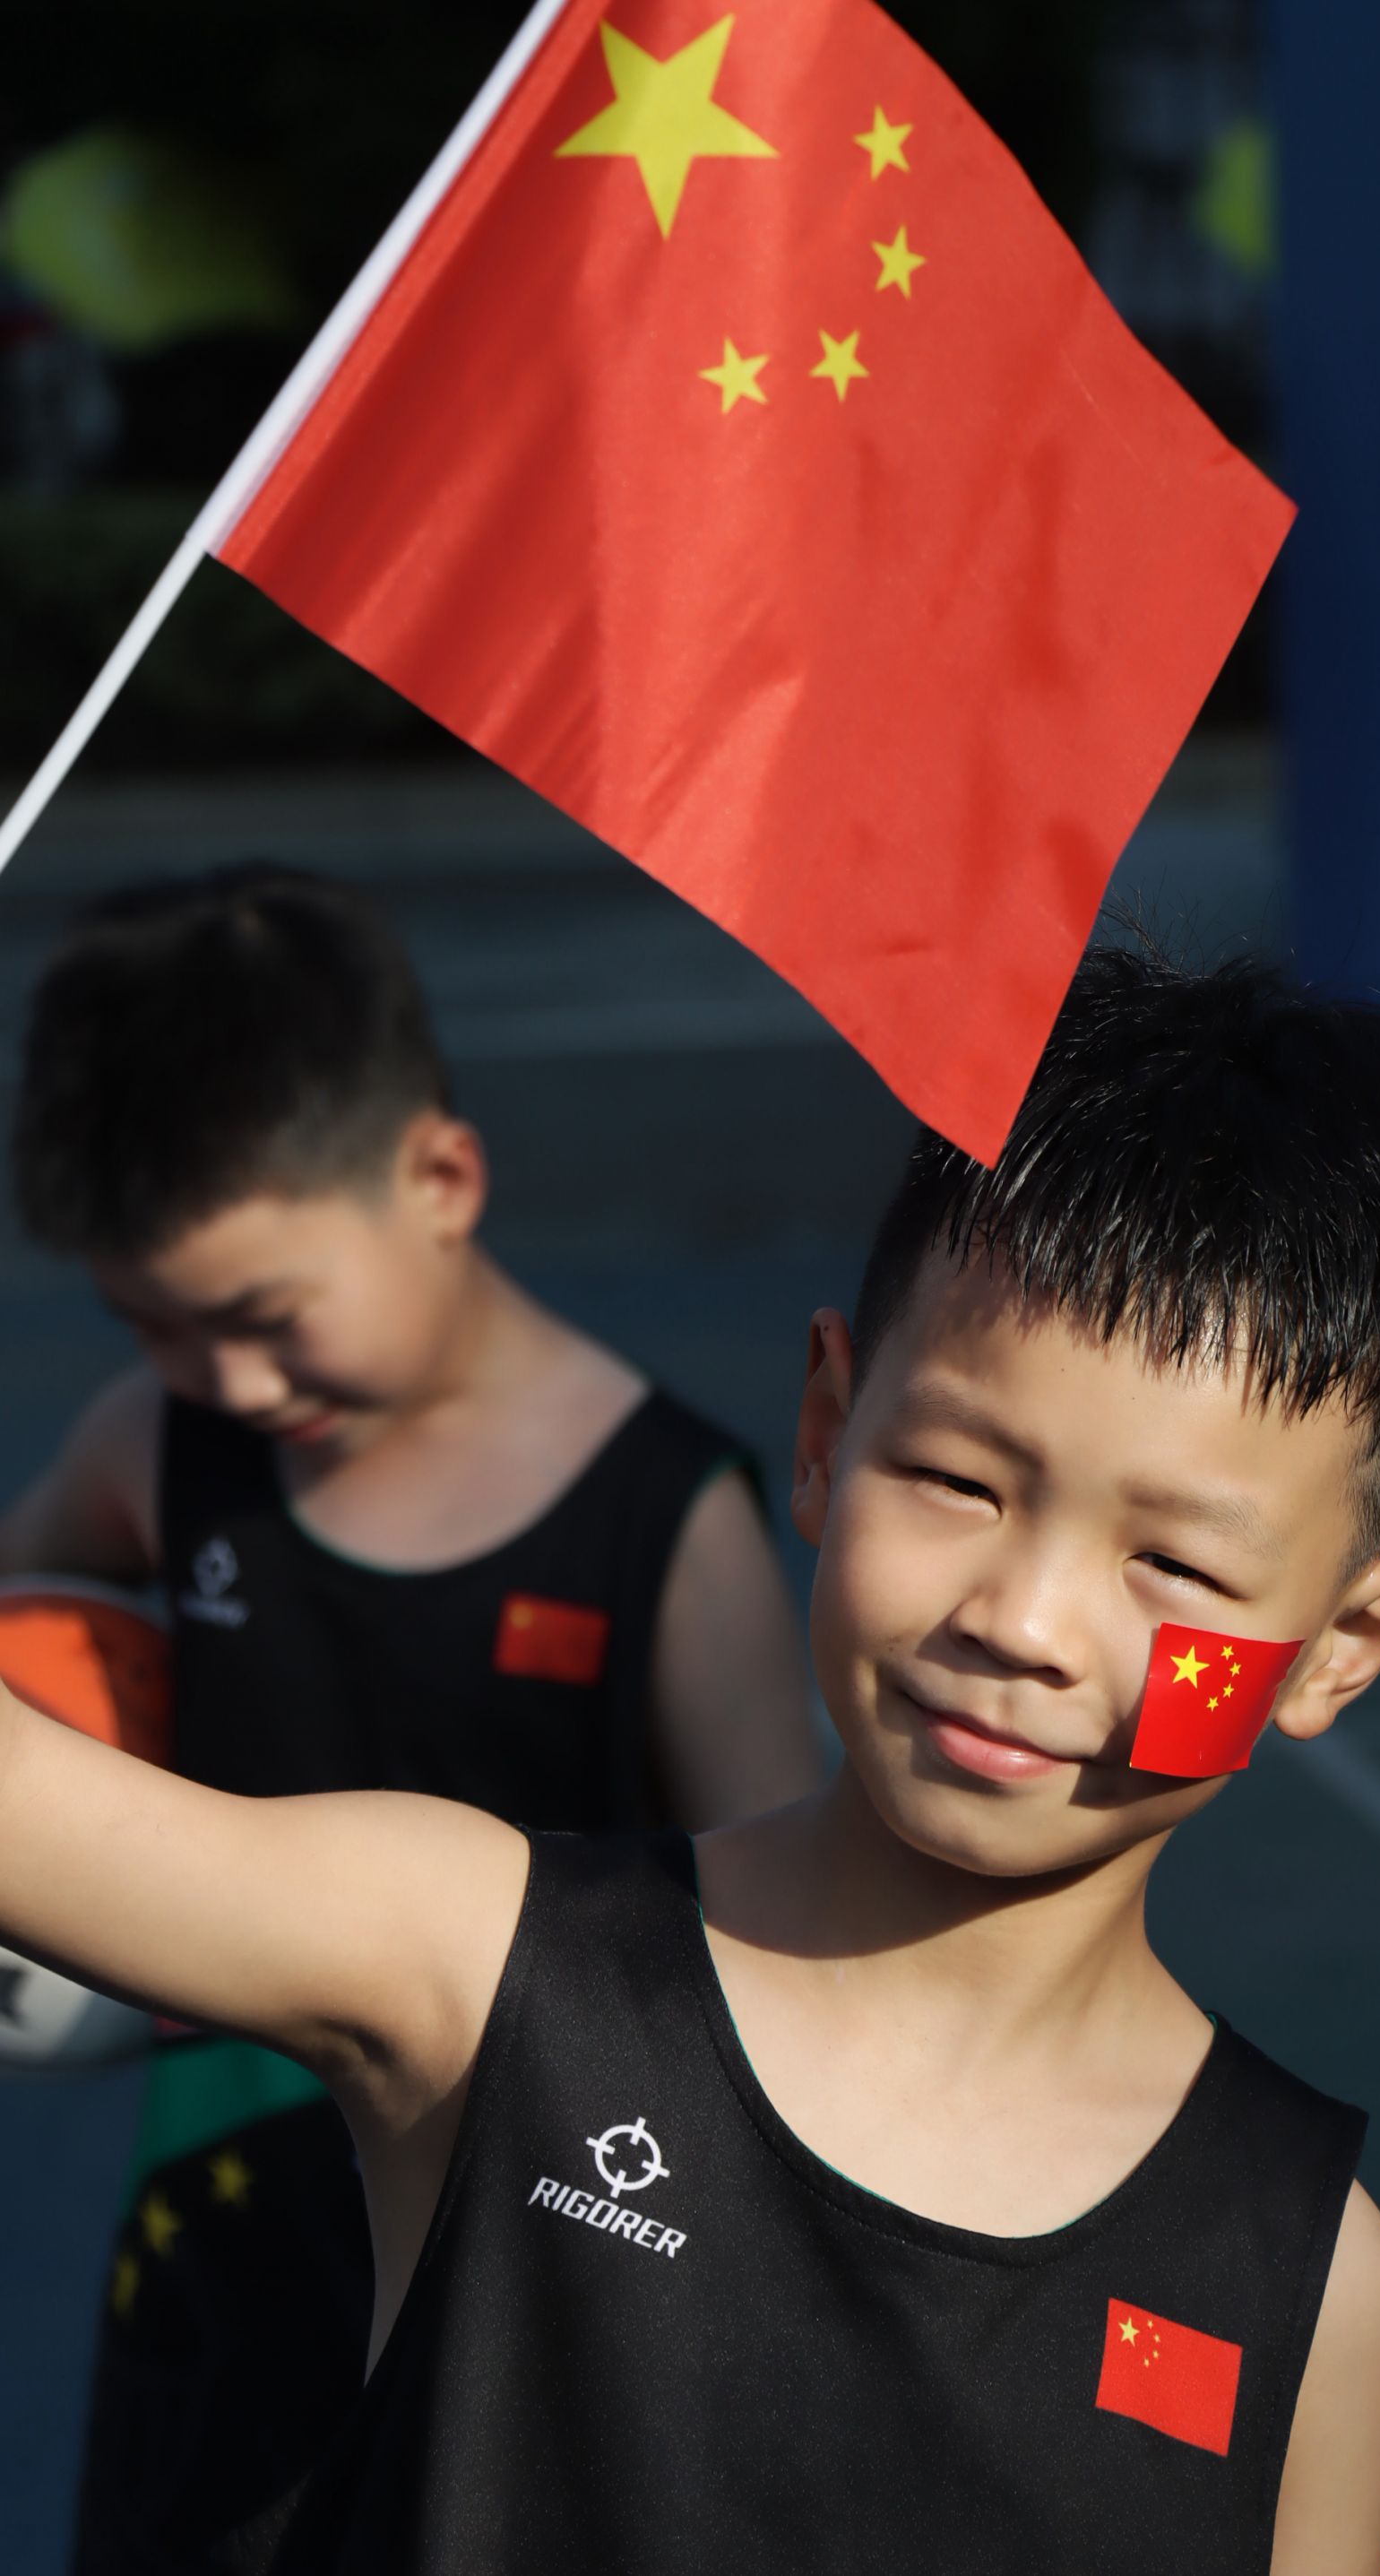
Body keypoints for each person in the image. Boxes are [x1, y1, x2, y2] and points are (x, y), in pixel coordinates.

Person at [0, 943, 1380, 2574]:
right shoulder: (475, 1966)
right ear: (825, 1433)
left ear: (1345, 1644)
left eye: (1176, 1562)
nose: (1023, 1619)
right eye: (957, 1479)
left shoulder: (1314, 2286)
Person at [0, 864, 822, 2572]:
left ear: (439, 1178)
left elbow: (786, 1940)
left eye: (263, 1316)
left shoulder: (664, 1521)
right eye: (149, 1323)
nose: (226, 1379)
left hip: (534, 2253)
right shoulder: (156, 1448)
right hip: (219, 2242)